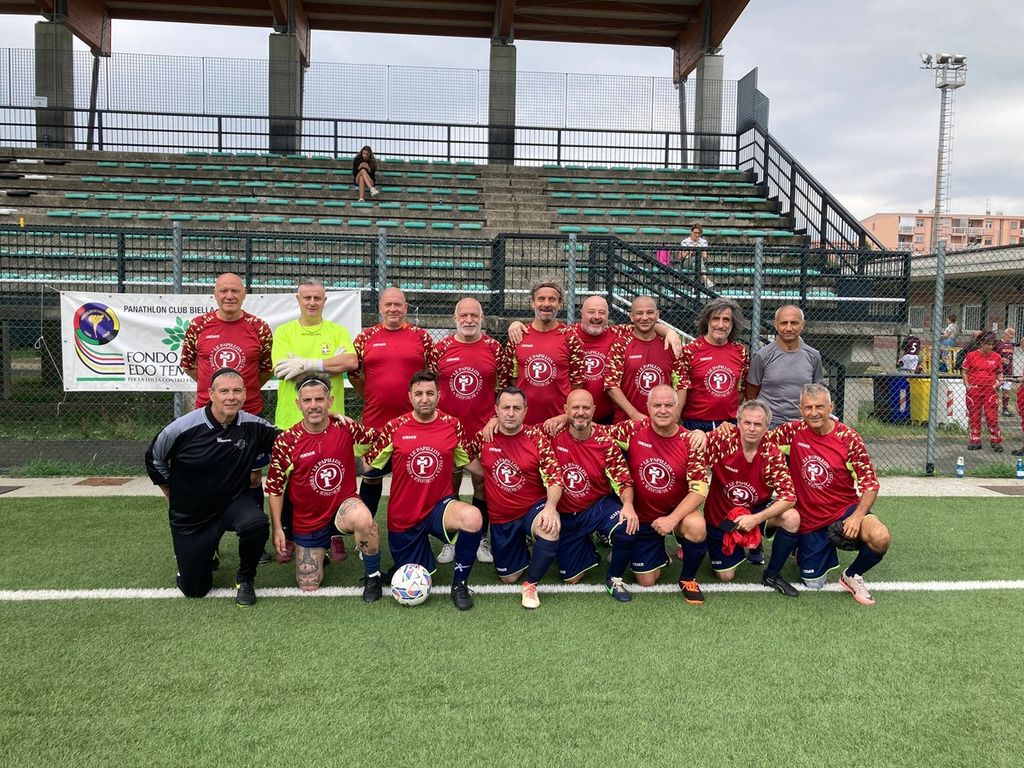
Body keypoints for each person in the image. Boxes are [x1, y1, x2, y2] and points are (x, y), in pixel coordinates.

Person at [145, 368, 279, 606]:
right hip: (193, 514)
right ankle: (202, 555)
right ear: (211, 394)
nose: (231, 397)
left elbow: (295, 440)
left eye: (237, 391)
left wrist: (326, 418)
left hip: (233, 504)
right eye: (224, 391)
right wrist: (170, 490)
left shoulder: (254, 425)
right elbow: (154, 458)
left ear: (245, 394)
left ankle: (245, 579)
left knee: (256, 523)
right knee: (195, 590)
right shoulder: (182, 427)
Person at [365, 371, 483, 611]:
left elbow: (471, 463)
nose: (424, 399)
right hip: (404, 515)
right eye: (418, 394)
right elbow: (367, 465)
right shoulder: (395, 427)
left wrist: (510, 470)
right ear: (410, 397)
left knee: (472, 517)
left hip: (439, 507)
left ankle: (460, 585)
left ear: (439, 395)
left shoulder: (452, 425)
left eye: (430, 393)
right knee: (418, 574)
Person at [764, 383, 889, 605]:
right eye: (808, 407)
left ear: (831, 407)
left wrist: (857, 516)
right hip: (808, 518)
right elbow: (754, 439)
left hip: (843, 511)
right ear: (800, 409)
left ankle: (852, 575)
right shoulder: (791, 431)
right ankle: (800, 546)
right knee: (813, 583)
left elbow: (870, 484)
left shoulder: (848, 438)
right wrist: (722, 431)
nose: (814, 413)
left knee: (880, 537)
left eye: (820, 407)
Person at [264, 377, 382, 600]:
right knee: (308, 584)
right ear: (298, 404)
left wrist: (364, 464)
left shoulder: (345, 426)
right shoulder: (286, 441)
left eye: (319, 399)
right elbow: (275, 488)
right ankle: (320, 552)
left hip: (343, 509)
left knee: (365, 520)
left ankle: (373, 577)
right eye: (307, 400)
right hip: (308, 520)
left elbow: (380, 437)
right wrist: (277, 528)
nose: (314, 405)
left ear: (330, 401)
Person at [323, 287, 433, 519]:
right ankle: (366, 526)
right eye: (388, 304)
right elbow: (355, 375)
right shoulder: (365, 338)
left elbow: (432, 375)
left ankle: (411, 524)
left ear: (406, 308)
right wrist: (374, 396)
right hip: (375, 420)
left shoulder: (421, 336)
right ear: (380, 308)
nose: (393, 309)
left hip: (413, 423)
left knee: (413, 475)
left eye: (398, 304)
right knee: (371, 476)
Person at [270, 279, 359, 562]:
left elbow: (351, 363)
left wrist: (308, 364)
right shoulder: (284, 332)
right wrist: (329, 364)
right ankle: (288, 534)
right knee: (290, 482)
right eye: (306, 297)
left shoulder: (337, 331)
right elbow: (281, 369)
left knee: (332, 476)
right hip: (290, 420)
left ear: (324, 301)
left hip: (330, 421)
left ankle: (334, 535)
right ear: (298, 300)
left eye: (317, 298)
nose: (312, 302)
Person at [506, 295, 682, 427]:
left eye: (602, 313)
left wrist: (670, 332)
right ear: (581, 314)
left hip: (606, 416)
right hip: (573, 415)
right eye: (591, 312)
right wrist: (515, 324)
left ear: (607, 316)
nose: (596, 317)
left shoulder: (618, 334)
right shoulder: (568, 334)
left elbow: (644, 323)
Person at [608, 385, 709, 605]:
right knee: (647, 581)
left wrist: (671, 519)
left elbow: (699, 490)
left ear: (677, 408)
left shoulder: (690, 440)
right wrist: (565, 418)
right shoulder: (633, 429)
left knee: (696, 525)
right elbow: (594, 432)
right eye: (657, 405)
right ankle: (657, 554)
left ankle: (688, 579)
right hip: (642, 519)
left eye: (668, 405)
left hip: (675, 515)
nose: (663, 410)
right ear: (648, 407)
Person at [466, 386, 563, 609]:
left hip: (532, 509)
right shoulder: (484, 437)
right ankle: (527, 547)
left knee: (550, 528)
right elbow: (465, 457)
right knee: (508, 577)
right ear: (496, 410)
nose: (511, 413)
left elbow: (554, 477)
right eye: (506, 407)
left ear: (525, 411)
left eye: (516, 408)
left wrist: (550, 507)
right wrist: (488, 472)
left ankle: (531, 583)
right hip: (502, 519)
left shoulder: (536, 437)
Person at [430, 297, 506, 566]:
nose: (469, 320)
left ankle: (481, 537)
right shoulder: (441, 349)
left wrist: (495, 418)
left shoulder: (494, 348)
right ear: (455, 318)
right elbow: (429, 389)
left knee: (482, 482)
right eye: (464, 315)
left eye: (474, 315)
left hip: (483, 430)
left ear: (482, 317)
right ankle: (450, 539)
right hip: (449, 432)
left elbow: (505, 388)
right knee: (449, 484)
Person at [703, 400, 800, 596]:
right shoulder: (721, 441)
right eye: (747, 423)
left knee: (792, 517)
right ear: (738, 423)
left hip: (754, 512)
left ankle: (772, 574)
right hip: (721, 518)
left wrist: (756, 519)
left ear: (766, 427)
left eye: (758, 424)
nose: (752, 429)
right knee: (725, 577)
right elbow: (690, 455)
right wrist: (699, 434)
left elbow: (789, 497)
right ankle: (724, 544)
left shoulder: (772, 453)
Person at [549, 389, 639, 602]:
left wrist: (628, 505)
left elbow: (623, 480)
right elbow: (517, 429)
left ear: (594, 410)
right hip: (566, 515)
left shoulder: (605, 441)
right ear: (565, 410)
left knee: (626, 525)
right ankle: (587, 548)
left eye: (586, 408)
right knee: (571, 578)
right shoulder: (550, 434)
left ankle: (614, 578)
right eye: (575, 407)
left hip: (596, 507)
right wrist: (494, 421)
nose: (581, 412)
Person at [179, 272, 273, 417]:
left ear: (244, 294)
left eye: (235, 291)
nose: (229, 296)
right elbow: (188, 365)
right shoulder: (198, 325)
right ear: (215, 294)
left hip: (249, 412)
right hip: (206, 412)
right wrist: (215, 385)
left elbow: (267, 369)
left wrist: (243, 389)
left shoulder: (259, 327)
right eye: (223, 291)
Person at [501, 280, 585, 426]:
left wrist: (565, 416)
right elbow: (511, 379)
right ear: (532, 303)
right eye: (541, 299)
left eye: (552, 299)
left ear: (559, 303)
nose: (546, 304)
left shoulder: (570, 337)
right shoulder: (518, 336)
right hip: (523, 424)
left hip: (558, 423)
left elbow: (577, 383)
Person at [604, 296, 684, 422]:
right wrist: (634, 414)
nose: (645, 318)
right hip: (628, 422)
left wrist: (676, 413)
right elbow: (611, 385)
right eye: (639, 313)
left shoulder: (670, 344)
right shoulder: (621, 344)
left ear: (657, 315)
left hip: (663, 422)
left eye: (650, 312)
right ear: (631, 316)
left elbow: (682, 383)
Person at [746, 304, 824, 429]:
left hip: (803, 423)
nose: (788, 328)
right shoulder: (762, 356)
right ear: (775, 325)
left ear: (802, 325)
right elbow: (751, 392)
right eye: (784, 323)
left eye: (794, 323)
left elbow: (816, 391)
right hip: (770, 424)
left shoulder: (813, 356)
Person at [678, 297, 749, 431]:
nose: (720, 325)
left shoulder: (741, 351)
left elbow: (740, 390)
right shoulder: (690, 351)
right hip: (695, 425)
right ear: (707, 321)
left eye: (726, 320)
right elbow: (681, 389)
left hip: (729, 425)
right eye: (716, 319)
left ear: (733, 324)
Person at [961, 331, 1003, 452]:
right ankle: (975, 441)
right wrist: (967, 385)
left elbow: (1000, 374)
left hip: (990, 390)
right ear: (981, 343)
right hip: (974, 390)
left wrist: (998, 383)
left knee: (992, 416)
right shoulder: (971, 355)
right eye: (988, 344)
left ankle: (995, 441)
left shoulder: (996, 357)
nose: (990, 346)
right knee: (974, 416)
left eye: (992, 344)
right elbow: (964, 371)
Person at [994, 327, 1016, 416]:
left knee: (1006, 391)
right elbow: (992, 356)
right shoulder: (998, 344)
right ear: (1005, 334)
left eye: (1013, 335)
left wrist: (1012, 370)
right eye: (1011, 335)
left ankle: (1005, 409)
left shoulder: (1011, 345)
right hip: (999, 371)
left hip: (1008, 371)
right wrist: (1000, 359)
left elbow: (1012, 359)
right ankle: (994, 408)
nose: (1012, 337)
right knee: (996, 389)